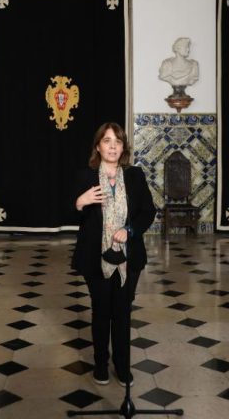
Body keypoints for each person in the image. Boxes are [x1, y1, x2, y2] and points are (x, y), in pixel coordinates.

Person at [72, 122, 155, 387]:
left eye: (117, 142)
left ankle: (122, 365)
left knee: (122, 313)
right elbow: (68, 213)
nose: (112, 146)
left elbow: (148, 212)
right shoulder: (85, 176)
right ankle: (100, 365)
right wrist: (81, 202)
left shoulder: (135, 176)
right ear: (98, 146)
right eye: (107, 141)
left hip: (129, 258)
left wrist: (129, 230)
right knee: (100, 311)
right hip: (94, 257)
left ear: (123, 148)